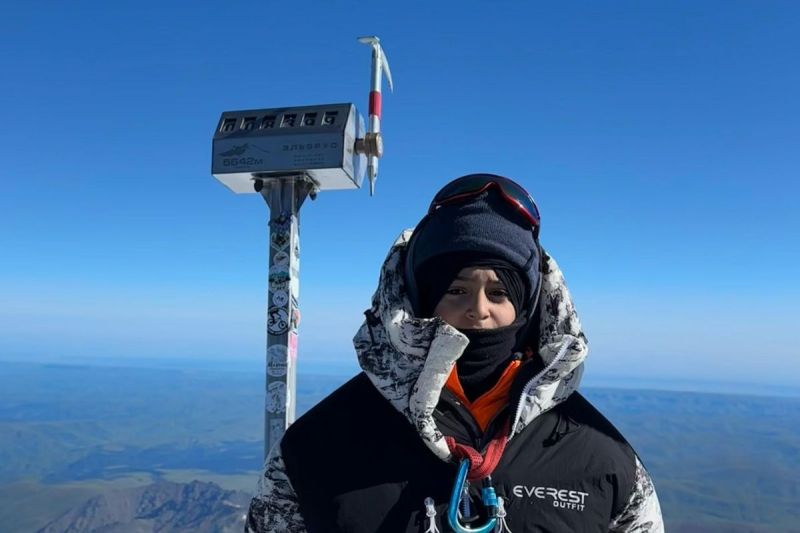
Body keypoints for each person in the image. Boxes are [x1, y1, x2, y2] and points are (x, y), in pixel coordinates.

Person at [245, 174, 664, 532]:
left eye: (500, 292)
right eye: (456, 289)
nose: (478, 309)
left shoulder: (603, 460)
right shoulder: (318, 448)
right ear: (421, 299)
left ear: (529, 306)